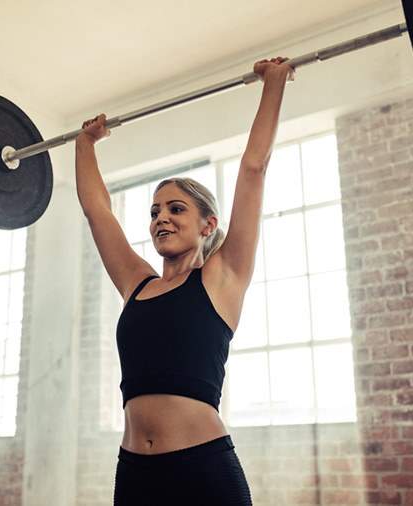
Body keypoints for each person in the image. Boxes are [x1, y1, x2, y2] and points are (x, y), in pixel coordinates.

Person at [76, 56, 294, 505]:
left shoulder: (223, 276)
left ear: (207, 224)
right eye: (155, 211)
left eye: (176, 209)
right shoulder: (137, 283)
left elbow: (253, 169)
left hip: (202, 471)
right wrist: (85, 143)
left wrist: (273, 84)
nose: (162, 218)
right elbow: (97, 211)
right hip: (135, 472)